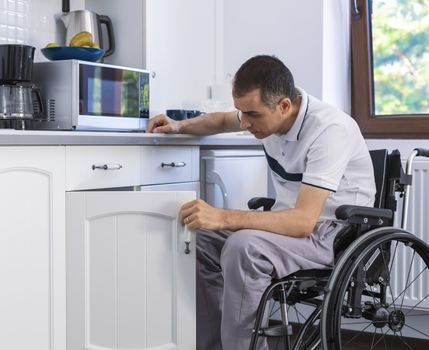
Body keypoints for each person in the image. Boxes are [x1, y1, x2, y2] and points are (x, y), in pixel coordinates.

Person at [146, 55, 376, 350]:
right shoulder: (268, 116)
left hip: (332, 234)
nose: (245, 123)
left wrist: (224, 217)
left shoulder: (330, 129)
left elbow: (303, 221)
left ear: (283, 106)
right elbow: (220, 120)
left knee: (244, 247)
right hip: (291, 228)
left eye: (252, 114)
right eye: (242, 113)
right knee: (197, 237)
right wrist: (178, 126)